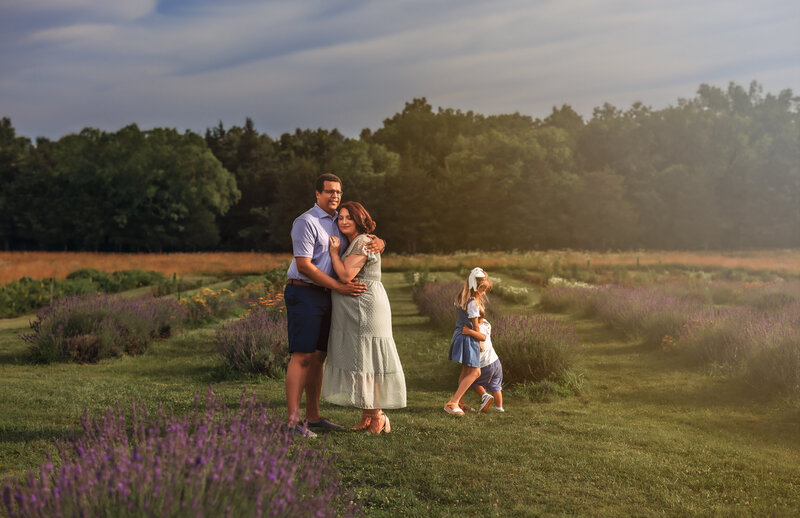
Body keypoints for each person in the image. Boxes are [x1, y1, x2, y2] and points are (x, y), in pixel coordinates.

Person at [284, 174, 385, 437]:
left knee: (318, 356)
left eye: (338, 192)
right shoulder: (306, 222)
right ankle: (293, 422)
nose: (335, 196)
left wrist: (381, 242)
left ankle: (313, 417)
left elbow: (360, 238)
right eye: (329, 191)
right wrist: (339, 287)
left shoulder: (338, 222)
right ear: (317, 194)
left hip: (327, 296)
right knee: (302, 355)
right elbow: (304, 265)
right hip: (304, 293)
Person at [321, 201, 406, 434]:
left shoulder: (362, 241)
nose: (344, 221)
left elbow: (347, 274)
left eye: (350, 217)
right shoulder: (361, 241)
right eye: (341, 218)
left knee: (369, 359)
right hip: (357, 309)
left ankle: (378, 416)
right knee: (362, 359)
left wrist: (333, 253)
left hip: (365, 308)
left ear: (360, 220)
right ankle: (368, 414)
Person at [443, 267, 492, 416]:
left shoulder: (462, 298)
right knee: (475, 372)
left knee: (465, 371)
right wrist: (480, 342)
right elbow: (475, 325)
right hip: (469, 338)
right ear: (474, 285)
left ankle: (461, 402)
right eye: (482, 288)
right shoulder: (473, 302)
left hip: (461, 334)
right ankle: (453, 403)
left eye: (485, 288)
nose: (483, 291)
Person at [468, 315, 504, 413]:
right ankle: (499, 408)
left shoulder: (477, 330)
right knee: (496, 386)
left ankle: (485, 396)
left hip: (485, 364)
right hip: (496, 361)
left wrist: (468, 331)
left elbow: (480, 336)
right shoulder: (486, 323)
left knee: (475, 383)